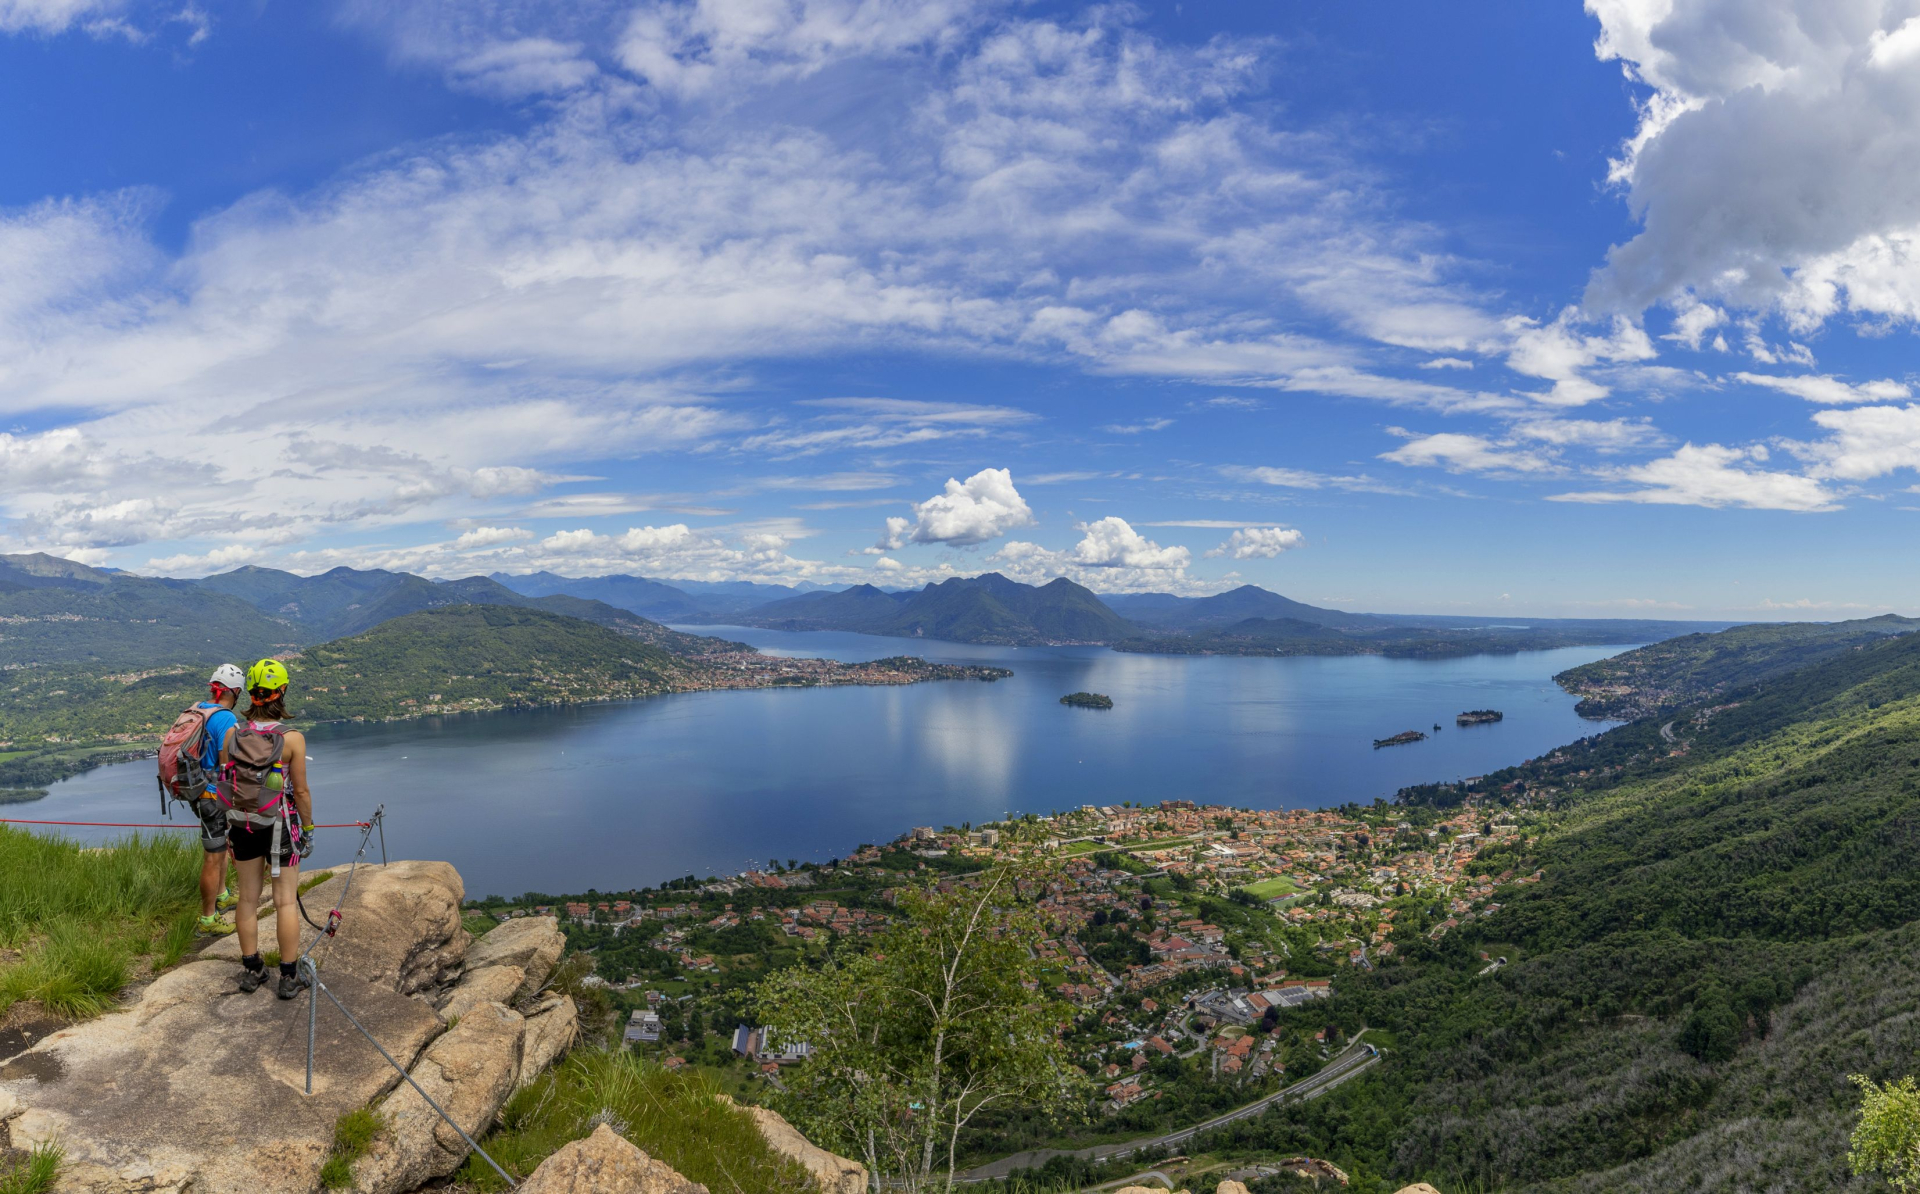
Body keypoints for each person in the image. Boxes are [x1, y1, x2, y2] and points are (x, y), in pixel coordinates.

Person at [221, 658, 316, 999]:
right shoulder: (292, 739)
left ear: (251, 694)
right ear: (283, 691)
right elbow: (301, 792)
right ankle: (288, 978)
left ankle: (252, 970)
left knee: (247, 899)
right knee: (285, 902)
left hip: (242, 824)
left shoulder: (233, 734)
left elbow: (227, 781)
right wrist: (309, 829)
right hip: (280, 826)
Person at [191, 664, 246, 935]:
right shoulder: (226, 720)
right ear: (235, 692)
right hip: (212, 795)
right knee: (213, 856)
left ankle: (222, 895)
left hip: (197, 789)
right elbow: (229, 765)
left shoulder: (198, 708)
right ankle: (208, 919)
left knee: (220, 847)